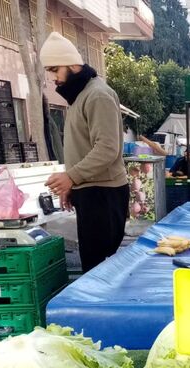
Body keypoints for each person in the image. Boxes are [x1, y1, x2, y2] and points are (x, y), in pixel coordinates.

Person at [40, 32, 129, 273]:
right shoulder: (81, 97)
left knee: (98, 269)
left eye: (55, 70)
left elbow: (107, 148)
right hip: (91, 190)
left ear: (71, 64)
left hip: (103, 194)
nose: (54, 78)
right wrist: (74, 185)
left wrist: (72, 176)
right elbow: (83, 147)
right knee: (93, 264)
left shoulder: (97, 95)